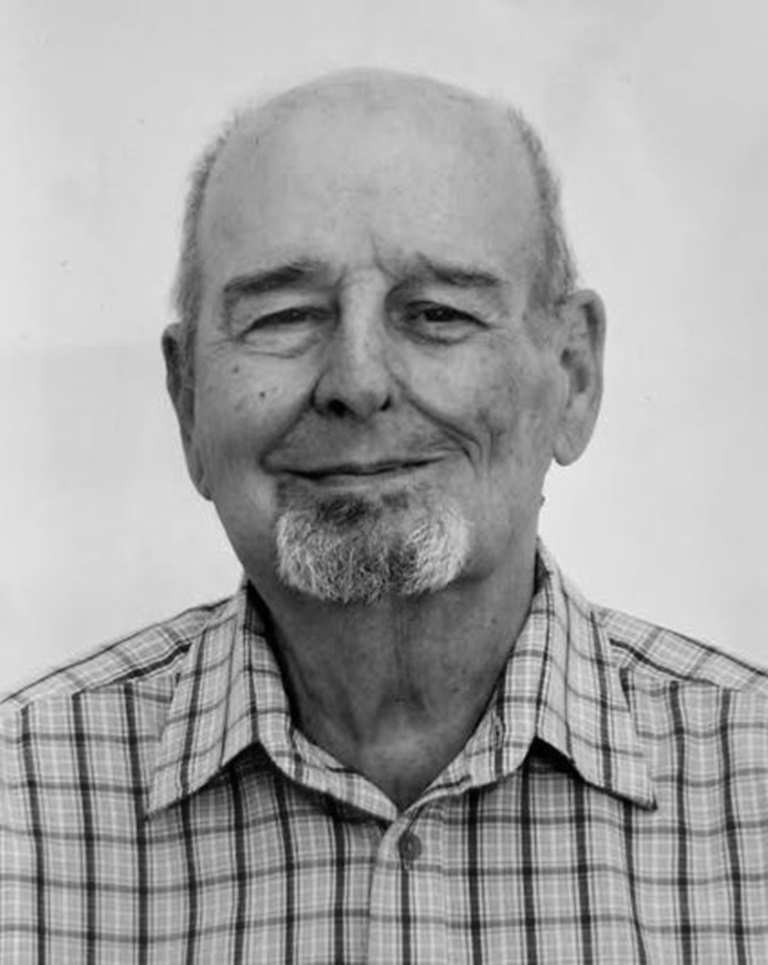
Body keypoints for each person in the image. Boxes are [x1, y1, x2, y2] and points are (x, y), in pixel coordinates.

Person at [1, 68, 766, 963]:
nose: (358, 382)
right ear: (188, 400)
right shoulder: (20, 806)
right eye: (284, 316)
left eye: (437, 314)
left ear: (574, 375)